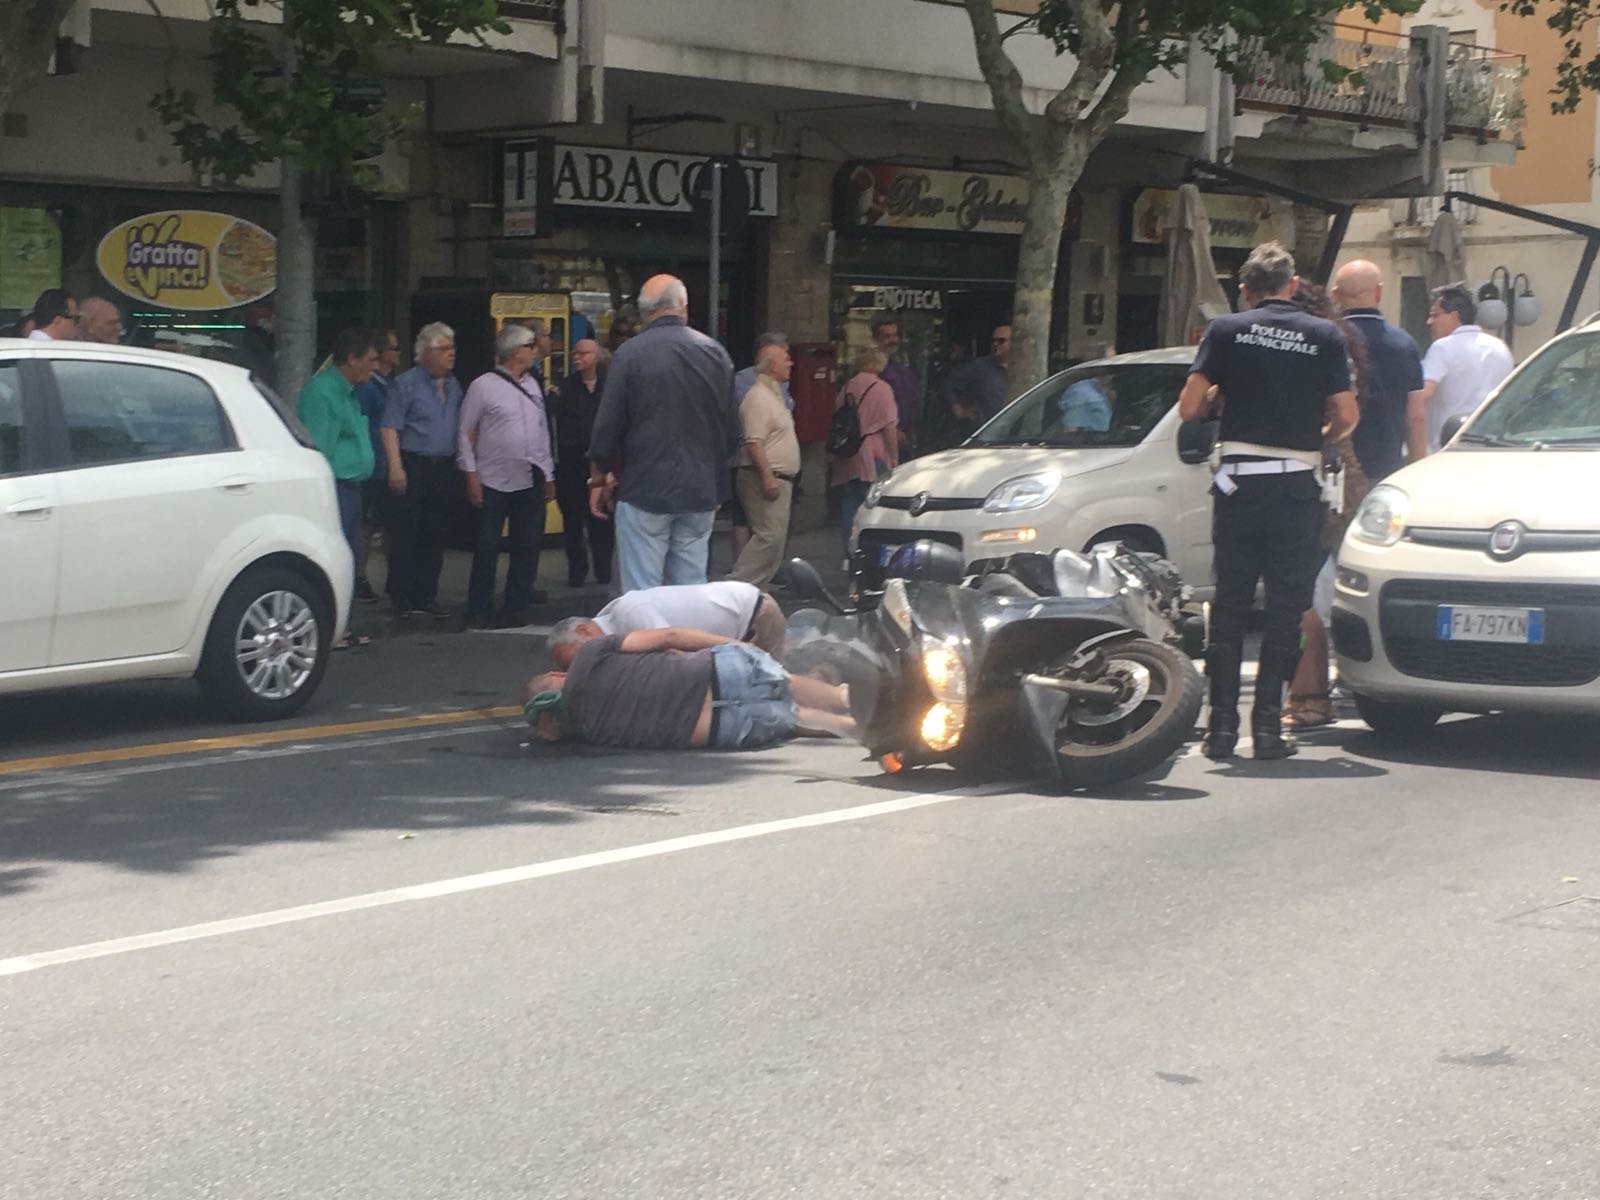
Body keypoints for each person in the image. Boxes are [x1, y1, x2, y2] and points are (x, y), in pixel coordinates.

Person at [1177, 241, 1359, 761]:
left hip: (1238, 483)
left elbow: (1189, 407)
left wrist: (1216, 400)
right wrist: (1318, 436)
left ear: (1244, 290)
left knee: (1230, 604)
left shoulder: (1226, 331)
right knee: (1286, 606)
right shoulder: (1324, 334)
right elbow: (1346, 414)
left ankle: (1221, 730)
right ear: (1293, 285)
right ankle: (1270, 731)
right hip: (1297, 485)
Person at [587, 274, 740, 593]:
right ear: (682, 307)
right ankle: (688, 642)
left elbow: (607, 424)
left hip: (645, 486)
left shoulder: (629, 354)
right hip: (700, 487)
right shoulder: (715, 353)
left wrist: (599, 477)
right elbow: (731, 428)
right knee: (691, 586)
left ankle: (650, 644)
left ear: (645, 313)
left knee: (643, 591)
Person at [1281, 283, 1373, 731]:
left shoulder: (1315, 350)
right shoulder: (1337, 345)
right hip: (1345, 480)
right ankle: (1330, 688)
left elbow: (1340, 413)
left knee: (1302, 591)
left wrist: (1310, 438)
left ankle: (1310, 696)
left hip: (1324, 480)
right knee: (1325, 588)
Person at [522, 629, 855, 750]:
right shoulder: (589, 655)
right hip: (716, 674)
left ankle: (864, 727)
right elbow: (668, 637)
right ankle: (850, 698)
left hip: (719, 729)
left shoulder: (587, 732)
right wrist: (737, 644)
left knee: (792, 716)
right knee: (788, 683)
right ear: (556, 673)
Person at [456, 322, 557, 629]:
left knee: (526, 545)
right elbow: (465, 432)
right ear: (515, 351)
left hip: (529, 476)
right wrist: (470, 474)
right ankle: (479, 607)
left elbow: (541, 432)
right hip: (493, 478)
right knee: (487, 546)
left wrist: (549, 473)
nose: (535, 351)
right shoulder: (482, 386)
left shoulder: (532, 383)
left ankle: (517, 604)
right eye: (530, 346)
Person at [296, 328, 380, 648]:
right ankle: (330, 628)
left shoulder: (348, 390)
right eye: (370, 360)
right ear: (351, 359)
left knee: (351, 558)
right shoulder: (322, 392)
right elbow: (319, 449)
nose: (375, 366)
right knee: (335, 558)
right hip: (335, 488)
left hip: (353, 486)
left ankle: (341, 625)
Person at [381, 321, 463, 619]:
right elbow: (390, 427)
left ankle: (426, 594)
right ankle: (400, 593)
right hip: (413, 462)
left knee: (435, 532)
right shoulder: (406, 383)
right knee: (406, 531)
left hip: (443, 464)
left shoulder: (454, 384)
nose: (450, 354)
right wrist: (395, 467)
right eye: (444, 349)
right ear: (426, 352)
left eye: (452, 348)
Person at [545, 580, 786, 670]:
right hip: (739, 623)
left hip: (753, 614)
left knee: (780, 682)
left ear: (584, 630)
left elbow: (672, 648)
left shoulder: (628, 613)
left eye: (579, 656)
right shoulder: (616, 626)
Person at [1331, 260, 1425, 482]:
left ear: (1335, 294)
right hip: (1386, 466)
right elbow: (1416, 416)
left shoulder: (1326, 338)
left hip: (1334, 467)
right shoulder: (1404, 343)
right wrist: (1419, 468)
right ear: (1378, 292)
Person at [1411, 285, 1514, 461]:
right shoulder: (1500, 347)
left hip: (1446, 448)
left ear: (1454, 316)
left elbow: (1423, 393)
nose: (1429, 322)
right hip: (1493, 447)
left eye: (1435, 315)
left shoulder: (1443, 348)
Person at [731, 342, 800, 587]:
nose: (790, 363)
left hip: (779, 477)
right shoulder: (758, 397)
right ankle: (737, 586)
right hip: (765, 477)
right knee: (769, 537)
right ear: (771, 366)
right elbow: (754, 441)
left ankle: (754, 595)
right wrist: (767, 476)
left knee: (775, 542)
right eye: (785, 359)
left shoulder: (773, 395)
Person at [552, 337, 613, 588]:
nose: (578, 357)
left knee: (601, 520)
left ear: (597, 356)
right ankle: (577, 572)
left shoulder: (609, 387)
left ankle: (604, 571)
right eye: (574, 353)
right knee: (573, 521)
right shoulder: (563, 387)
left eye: (584, 353)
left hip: (602, 463)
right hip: (571, 463)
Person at [831, 345, 899, 561]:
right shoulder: (882, 388)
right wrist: (894, 458)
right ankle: (870, 555)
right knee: (874, 504)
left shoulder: (846, 387)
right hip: (873, 453)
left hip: (849, 453)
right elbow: (889, 427)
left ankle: (849, 553)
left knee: (849, 505)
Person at [352, 328, 400, 604]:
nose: (398, 354)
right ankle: (360, 576)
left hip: (386, 463)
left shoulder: (390, 383)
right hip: (373, 461)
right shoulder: (369, 387)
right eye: (394, 348)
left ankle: (394, 576)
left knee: (387, 523)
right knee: (366, 524)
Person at [945, 323, 1011, 436]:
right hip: (984, 433)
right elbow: (950, 385)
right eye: (993, 341)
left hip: (1014, 432)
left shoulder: (1023, 369)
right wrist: (959, 411)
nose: (995, 344)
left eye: (1001, 341)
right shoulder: (978, 367)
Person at [872, 315, 921, 454]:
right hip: (885, 438)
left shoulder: (901, 367)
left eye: (894, 335)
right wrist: (894, 430)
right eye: (887, 336)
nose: (893, 340)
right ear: (876, 339)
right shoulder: (873, 370)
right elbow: (874, 406)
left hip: (907, 436)